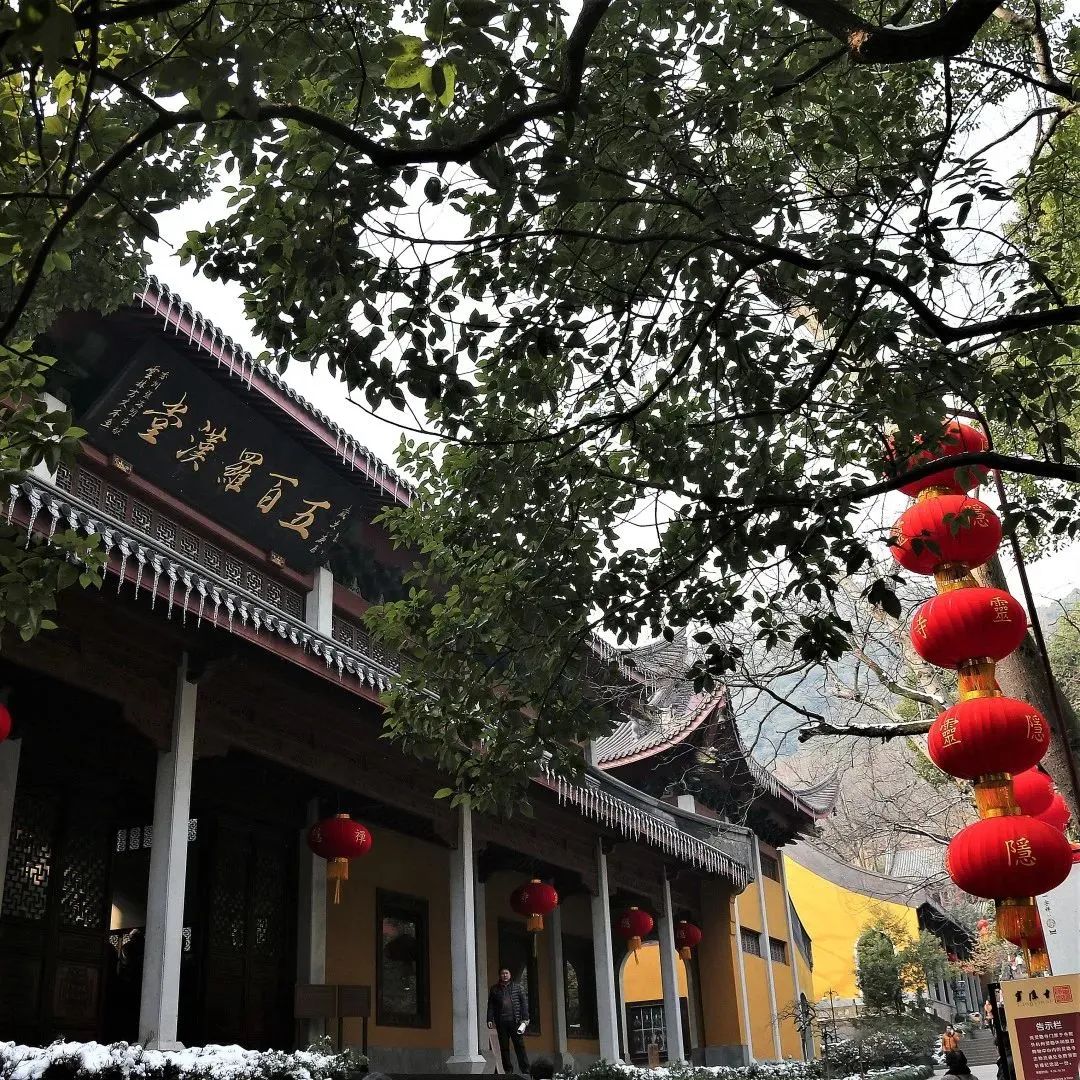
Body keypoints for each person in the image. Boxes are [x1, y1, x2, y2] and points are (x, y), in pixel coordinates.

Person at [487, 967, 530, 1074]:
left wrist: (525, 1018)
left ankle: (525, 1070)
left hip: (515, 1022)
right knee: (504, 1047)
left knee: (519, 1046)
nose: (505, 975)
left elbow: (523, 1004)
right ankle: (508, 1070)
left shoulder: (517, 988)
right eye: (502, 973)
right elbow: (491, 1005)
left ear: (510, 975)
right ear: (500, 975)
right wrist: (489, 1019)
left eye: (506, 973)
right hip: (501, 1022)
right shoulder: (494, 989)